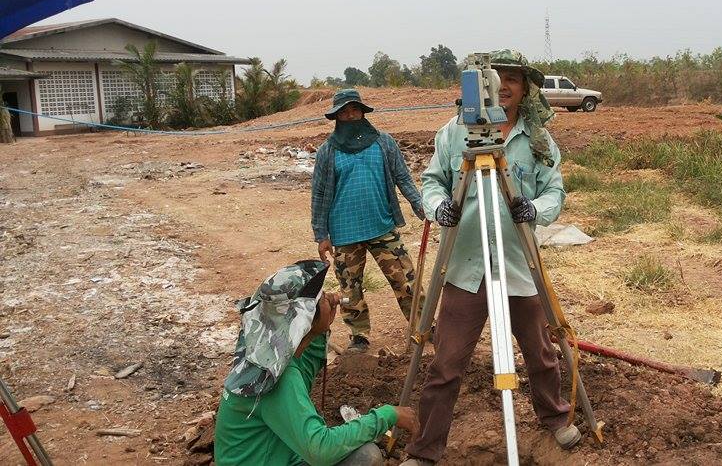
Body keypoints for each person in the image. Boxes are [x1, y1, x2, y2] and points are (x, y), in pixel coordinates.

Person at [402, 50, 579, 465]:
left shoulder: (536, 140)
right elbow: (432, 181)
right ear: (479, 83)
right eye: (495, 77)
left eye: (512, 78)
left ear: (523, 88)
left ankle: (555, 418)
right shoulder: (453, 133)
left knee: (540, 352)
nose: (503, 84)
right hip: (465, 268)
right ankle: (426, 450)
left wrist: (536, 210)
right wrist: (438, 205)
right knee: (446, 364)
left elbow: (554, 189)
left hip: (518, 264)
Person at [214, 260, 419, 466]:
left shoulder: (266, 354)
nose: (327, 297)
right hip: (276, 458)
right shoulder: (278, 379)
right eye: (319, 298)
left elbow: (307, 366)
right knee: (365, 457)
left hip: (273, 455)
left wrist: (320, 325)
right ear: (304, 317)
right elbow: (320, 450)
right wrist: (387, 415)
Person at [311, 89, 425, 353]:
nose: (350, 116)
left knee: (407, 281)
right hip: (344, 233)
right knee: (350, 288)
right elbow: (318, 195)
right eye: (344, 112)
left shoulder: (384, 143)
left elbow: (403, 178)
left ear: (363, 112)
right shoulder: (327, 152)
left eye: (354, 110)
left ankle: (422, 328)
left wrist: (420, 206)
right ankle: (358, 335)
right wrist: (321, 234)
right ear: (336, 117)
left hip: (382, 227)